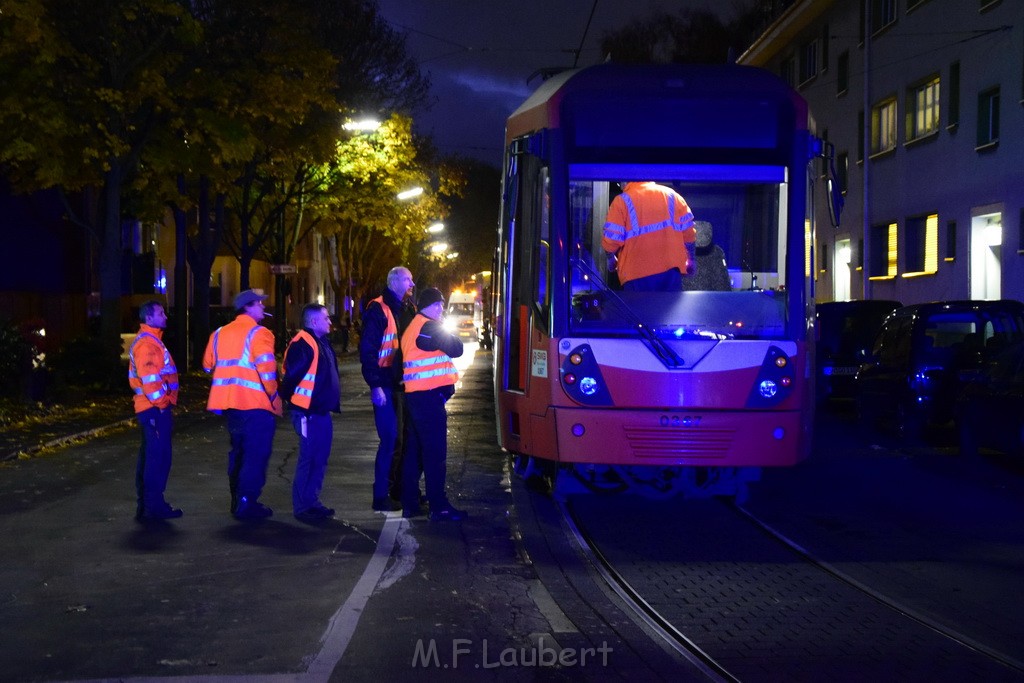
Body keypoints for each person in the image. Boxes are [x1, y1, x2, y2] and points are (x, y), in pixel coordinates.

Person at [203, 289, 283, 520]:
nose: (262, 307)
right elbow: (267, 370)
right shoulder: (260, 333)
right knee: (255, 455)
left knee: (238, 453)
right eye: (259, 304)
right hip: (255, 404)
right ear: (247, 307)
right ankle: (247, 503)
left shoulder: (218, 333)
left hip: (230, 405)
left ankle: (237, 499)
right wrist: (273, 395)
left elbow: (208, 364)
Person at [400, 287, 466, 521]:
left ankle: (410, 504)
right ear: (434, 305)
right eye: (440, 305)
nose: (442, 309)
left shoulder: (413, 327)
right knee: (435, 453)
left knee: (414, 452)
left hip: (416, 398)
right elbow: (457, 348)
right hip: (428, 400)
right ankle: (439, 506)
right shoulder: (429, 327)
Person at [359, 266, 416, 512]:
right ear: (394, 282)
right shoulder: (378, 310)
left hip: (404, 386)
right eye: (407, 279)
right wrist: (375, 385)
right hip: (385, 385)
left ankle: (399, 491)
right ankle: (381, 495)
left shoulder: (408, 309)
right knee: (391, 440)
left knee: (404, 441)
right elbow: (368, 351)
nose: (412, 283)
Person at [279, 303, 341, 523]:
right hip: (307, 413)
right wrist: (291, 401)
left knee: (320, 458)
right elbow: (291, 378)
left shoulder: (318, 342)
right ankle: (303, 507)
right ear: (314, 322)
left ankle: (312, 501)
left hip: (320, 412)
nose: (330, 322)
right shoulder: (304, 344)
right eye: (326, 318)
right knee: (309, 457)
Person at [127, 300, 182, 521]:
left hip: (152, 409)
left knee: (152, 457)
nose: (165, 316)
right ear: (148, 318)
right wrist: (162, 404)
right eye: (161, 313)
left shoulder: (151, 341)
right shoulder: (148, 345)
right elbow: (150, 380)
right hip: (154, 410)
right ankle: (153, 507)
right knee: (157, 459)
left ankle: (149, 506)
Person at [601, 181, 698, 291]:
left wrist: (611, 260)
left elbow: (611, 241)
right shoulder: (673, 196)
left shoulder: (621, 201)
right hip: (671, 273)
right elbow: (689, 235)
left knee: (639, 308)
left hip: (636, 275)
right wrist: (691, 260)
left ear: (624, 181)